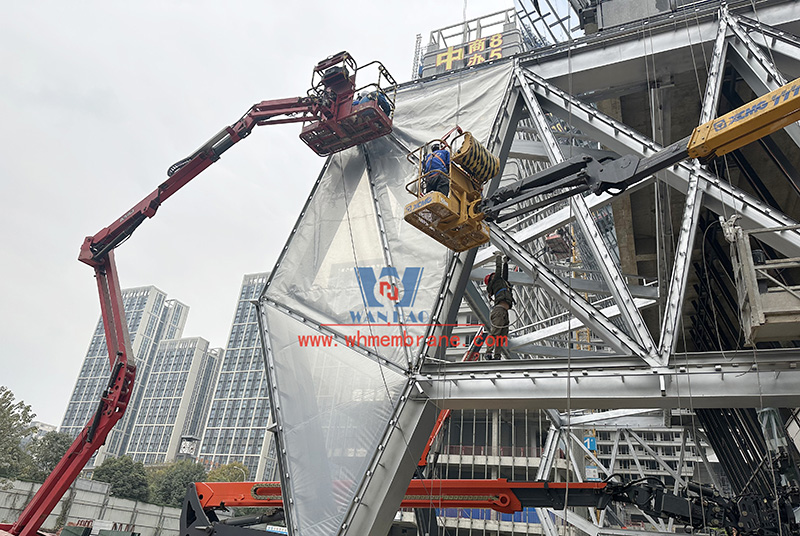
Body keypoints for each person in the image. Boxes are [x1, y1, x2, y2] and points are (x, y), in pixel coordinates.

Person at [483, 255, 513, 360]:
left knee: (502, 336)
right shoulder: (494, 282)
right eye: (493, 275)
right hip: (499, 311)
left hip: (504, 311)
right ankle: (488, 352)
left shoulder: (501, 282)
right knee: (495, 332)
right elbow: (499, 270)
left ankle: (497, 356)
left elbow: (505, 275)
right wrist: (498, 258)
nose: (495, 275)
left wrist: (505, 263)